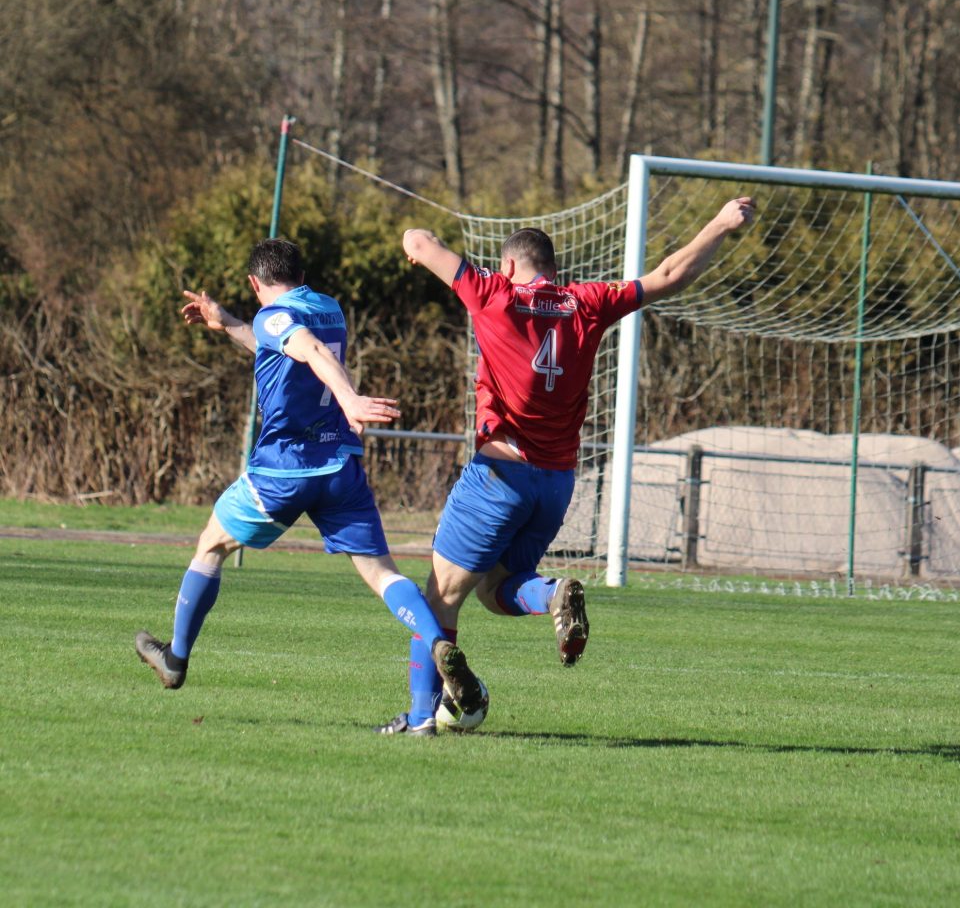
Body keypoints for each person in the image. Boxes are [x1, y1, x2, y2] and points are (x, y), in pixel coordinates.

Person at [379, 197, 755, 734]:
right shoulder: (588, 302)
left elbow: (418, 239)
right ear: (555, 270)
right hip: (555, 484)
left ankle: (420, 720)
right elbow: (670, 275)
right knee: (498, 590)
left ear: (509, 265)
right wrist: (719, 223)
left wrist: (417, 248)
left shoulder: (492, 292)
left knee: (439, 600)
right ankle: (553, 593)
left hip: (499, 474)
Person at [135, 237, 483, 733]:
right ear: (301, 275)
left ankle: (176, 658)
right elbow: (288, 346)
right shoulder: (328, 308)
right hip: (340, 466)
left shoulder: (274, 316)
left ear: (254, 283)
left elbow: (307, 349)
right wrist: (226, 321)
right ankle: (437, 643)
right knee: (383, 574)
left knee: (211, 544)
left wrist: (351, 399)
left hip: (285, 469)